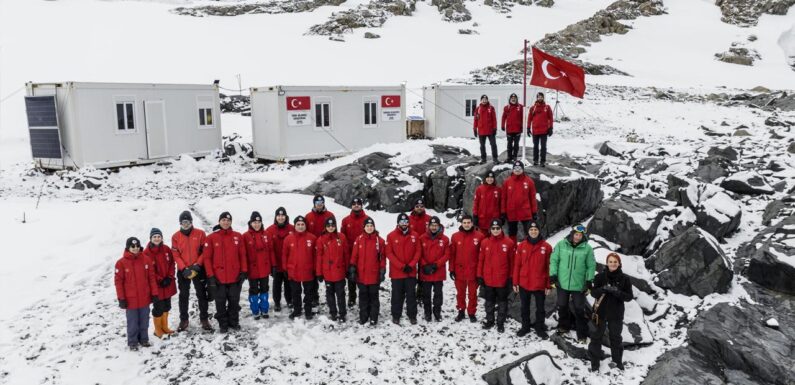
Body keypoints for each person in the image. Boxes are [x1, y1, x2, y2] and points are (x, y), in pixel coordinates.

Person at [550, 224, 596, 344]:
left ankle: (582, 334)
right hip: (562, 282)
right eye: (576, 234)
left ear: (583, 236)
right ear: (572, 234)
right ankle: (564, 327)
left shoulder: (587, 248)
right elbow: (554, 260)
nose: (577, 237)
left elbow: (591, 266)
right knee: (562, 306)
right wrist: (553, 275)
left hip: (579, 284)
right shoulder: (561, 244)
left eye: (580, 235)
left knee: (580, 309)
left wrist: (589, 281)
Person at [202, 212, 248, 333]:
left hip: (235, 277)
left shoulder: (238, 236)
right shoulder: (211, 238)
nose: (226, 222)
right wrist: (210, 276)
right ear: (219, 221)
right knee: (220, 303)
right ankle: (223, 324)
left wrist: (243, 271)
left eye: (228, 220)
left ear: (231, 222)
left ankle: (233, 322)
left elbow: (242, 255)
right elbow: (207, 258)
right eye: (223, 220)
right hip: (218, 278)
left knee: (234, 302)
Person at [588, 253, 633, 372]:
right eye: (610, 261)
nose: (613, 264)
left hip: (616, 314)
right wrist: (603, 289)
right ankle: (594, 364)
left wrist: (617, 292)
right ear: (607, 263)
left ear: (619, 263)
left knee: (616, 338)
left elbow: (629, 297)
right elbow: (593, 293)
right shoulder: (600, 277)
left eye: (615, 262)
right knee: (596, 338)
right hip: (600, 313)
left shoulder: (625, 279)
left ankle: (617, 362)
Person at [170, 211, 213, 332]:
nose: (186, 224)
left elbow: (204, 251)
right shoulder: (176, 236)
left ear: (191, 222)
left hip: (197, 269)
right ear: (180, 223)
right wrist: (184, 268)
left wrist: (197, 265)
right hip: (183, 271)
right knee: (184, 295)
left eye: (187, 221)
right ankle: (184, 320)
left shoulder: (200, 234)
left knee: (201, 294)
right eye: (183, 222)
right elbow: (175, 254)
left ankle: (204, 319)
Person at [114, 237, 158, 350]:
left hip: (145, 297)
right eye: (132, 246)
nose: (135, 248)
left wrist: (154, 293)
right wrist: (121, 298)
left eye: (137, 246)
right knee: (132, 322)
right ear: (128, 247)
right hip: (130, 300)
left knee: (144, 320)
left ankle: (144, 339)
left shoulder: (146, 260)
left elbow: (151, 278)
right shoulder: (121, 263)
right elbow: (118, 282)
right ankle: (133, 341)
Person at [512, 222, 552, 338]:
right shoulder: (521, 246)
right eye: (531, 229)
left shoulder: (547, 247)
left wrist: (548, 285)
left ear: (539, 231)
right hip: (524, 282)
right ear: (528, 231)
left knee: (540, 308)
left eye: (535, 229)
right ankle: (525, 327)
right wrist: (515, 282)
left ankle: (539, 327)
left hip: (540, 283)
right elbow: (517, 266)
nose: (533, 231)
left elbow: (549, 268)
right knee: (524, 307)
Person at [477, 219, 515, 333]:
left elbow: (512, 262)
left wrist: (510, 277)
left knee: (502, 301)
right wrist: (479, 275)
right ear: (490, 229)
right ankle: (490, 320)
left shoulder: (509, 243)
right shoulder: (484, 242)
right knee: (489, 301)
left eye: (497, 228)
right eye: (493, 228)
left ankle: (500, 322)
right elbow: (481, 260)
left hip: (502, 279)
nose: (495, 230)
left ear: (501, 229)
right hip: (488, 278)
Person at [349, 217, 387, 326]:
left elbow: (383, 258)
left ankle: (373, 317)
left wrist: (382, 270)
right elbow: (354, 256)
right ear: (364, 227)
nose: (369, 228)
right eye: (367, 226)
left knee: (374, 297)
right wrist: (352, 267)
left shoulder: (380, 241)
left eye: (371, 226)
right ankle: (363, 317)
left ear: (374, 227)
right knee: (363, 296)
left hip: (374, 275)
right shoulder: (359, 239)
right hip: (361, 275)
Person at [386, 213, 421, 325]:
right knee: (396, 295)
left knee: (411, 295)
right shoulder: (391, 236)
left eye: (406, 222)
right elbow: (389, 253)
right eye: (401, 222)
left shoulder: (415, 235)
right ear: (398, 223)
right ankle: (396, 315)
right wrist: (401, 266)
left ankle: (412, 315)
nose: (404, 224)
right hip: (397, 272)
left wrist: (411, 265)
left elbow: (418, 252)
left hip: (410, 272)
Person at [449, 214, 484, 323]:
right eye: (464, 223)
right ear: (461, 224)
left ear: (472, 223)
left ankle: (471, 312)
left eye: (468, 223)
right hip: (459, 269)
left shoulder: (479, 236)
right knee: (460, 292)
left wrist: (479, 273)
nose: (467, 225)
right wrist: (451, 269)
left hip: (473, 270)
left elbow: (481, 256)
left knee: (473, 293)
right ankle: (461, 311)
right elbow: (452, 255)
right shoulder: (455, 236)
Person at [282, 216, 318, 320]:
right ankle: (297, 310)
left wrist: (316, 269)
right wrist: (285, 269)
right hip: (294, 271)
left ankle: (308, 311)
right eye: (298, 224)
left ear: (305, 226)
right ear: (295, 226)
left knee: (308, 293)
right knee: (295, 292)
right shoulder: (288, 239)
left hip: (308, 271)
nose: (300, 226)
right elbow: (284, 255)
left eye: (302, 224)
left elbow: (316, 255)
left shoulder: (312, 238)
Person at [144, 228, 177, 339]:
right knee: (158, 307)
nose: (157, 238)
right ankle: (157, 330)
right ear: (151, 238)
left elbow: (172, 263)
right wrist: (160, 279)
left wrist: (169, 276)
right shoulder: (146, 253)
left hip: (167, 283)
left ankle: (165, 327)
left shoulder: (167, 249)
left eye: (159, 236)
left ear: (161, 238)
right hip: (157, 286)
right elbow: (149, 271)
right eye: (154, 237)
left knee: (167, 306)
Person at [243, 211, 276, 320]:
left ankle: (264, 309)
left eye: (258, 222)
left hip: (264, 269)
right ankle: (255, 310)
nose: (256, 224)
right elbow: (243, 254)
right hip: (252, 270)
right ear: (250, 223)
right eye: (254, 222)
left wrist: (273, 266)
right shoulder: (245, 236)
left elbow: (271, 251)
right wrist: (244, 269)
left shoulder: (266, 234)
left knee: (264, 289)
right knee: (253, 290)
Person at [316, 217, 350, 322]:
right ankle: (333, 312)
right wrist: (319, 273)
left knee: (340, 293)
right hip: (328, 273)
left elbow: (346, 254)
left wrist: (348, 269)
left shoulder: (341, 237)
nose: (331, 227)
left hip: (339, 272)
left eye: (333, 225)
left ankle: (342, 313)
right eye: (328, 226)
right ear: (325, 227)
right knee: (329, 293)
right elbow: (319, 257)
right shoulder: (321, 239)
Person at [418, 216, 450, 322]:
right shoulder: (422, 238)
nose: (434, 227)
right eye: (432, 225)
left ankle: (437, 312)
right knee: (426, 294)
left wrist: (436, 265)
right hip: (426, 272)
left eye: (436, 225)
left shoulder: (445, 239)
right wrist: (425, 265)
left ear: (439, 226)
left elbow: (447, 254)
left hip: (438, 271)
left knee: (438, 294)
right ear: (429, 226)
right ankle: (427, 313)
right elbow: (419, 254)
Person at [306, 195, 335, 308]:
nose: (319, 204)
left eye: (321, 202)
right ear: (314, 203)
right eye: (317, 202)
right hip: (312, 250)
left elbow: (334, 230)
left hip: (328, 250)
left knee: (329, 273)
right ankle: (314, 297)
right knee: (314, 274)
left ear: (323, 203)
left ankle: (331, 298)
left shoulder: (329, 215)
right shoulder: (308, 217)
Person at [501, 161, 538, 243]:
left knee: (528, 232)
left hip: (525, 212)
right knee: (512, 232)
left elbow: (532, 198)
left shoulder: (529, 182)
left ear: (523, 169)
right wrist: (503, 212)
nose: (517, 170)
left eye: (519, 168)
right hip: (511, 212)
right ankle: (512, 249)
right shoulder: (507, 182)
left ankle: (527, 248)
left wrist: (534, 212)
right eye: (515, 168)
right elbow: (503, 198)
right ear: (513, 169)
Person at [341, 198, 368, 308]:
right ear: (351, 206)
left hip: (363, 253)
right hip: (350, 253)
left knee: (362, 276)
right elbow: (342, 238)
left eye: (358, 204)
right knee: (351, 276)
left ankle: (364, 298)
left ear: (361, 206)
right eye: (354, 204)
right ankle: (352, 297)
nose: (356, 206)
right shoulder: (345, 220)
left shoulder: (367, 219)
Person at [265, 207, 294, 312]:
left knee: (288, 283)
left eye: (283, 216)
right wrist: (271, 265)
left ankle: (289, 300)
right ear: (275, 217)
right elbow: (268, 249)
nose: (281, 218)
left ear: (286, 217)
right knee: (276, 284)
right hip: (276, 263)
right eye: (279, 216)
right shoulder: (269, 230)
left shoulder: (292, 228)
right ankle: (277, 302)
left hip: (289, 263)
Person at [527, 92, 553, 167]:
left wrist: (551, 128)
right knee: (535, 146)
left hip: (544, 131)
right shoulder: (533, 108)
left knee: (543, 147)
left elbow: (550, 118)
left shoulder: (547, 107)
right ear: (537, 98)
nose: (540, 98)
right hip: (535, 131)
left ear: (543, 98)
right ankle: (535, 160)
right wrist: (528, 128)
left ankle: (543, 161)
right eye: (539, 97)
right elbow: (529, 119)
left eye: (541, 97)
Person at [473, 94, 498, 164]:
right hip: (481, 130)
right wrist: (474, 129)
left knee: (493, 144)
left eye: (485, 99)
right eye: (483, 99)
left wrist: (495, 128)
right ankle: (483, 159)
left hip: (490, 130)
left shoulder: (491, 108)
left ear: (487, 100)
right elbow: (475, 120)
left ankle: (495, 158)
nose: (484, 101)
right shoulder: (478, 109)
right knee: (482, 146)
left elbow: (494, 119)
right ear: (481, 100)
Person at [502, 93, 524, 163]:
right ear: (510, 99)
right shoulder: (506, 107)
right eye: (512, 98)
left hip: (518, 129)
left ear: (517, 99)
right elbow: (504, 117)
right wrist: (502, 125)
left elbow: (523, 117)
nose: (513, 99)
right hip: (509, 129)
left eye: (514, 98)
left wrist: (523, 127)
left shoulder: (520, 107)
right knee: (509, 144)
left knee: (516, 144)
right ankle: (509, 157)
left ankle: (515, 157)